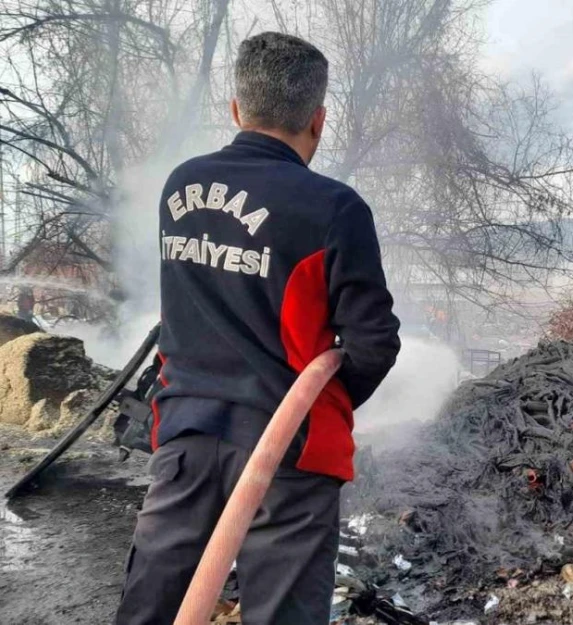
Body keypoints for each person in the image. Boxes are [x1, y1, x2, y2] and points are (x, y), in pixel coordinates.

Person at [116, 32, 401, 625]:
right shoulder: (333, 207)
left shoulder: (182, 187)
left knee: (152, 604)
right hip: (288, 458)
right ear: (319, 121)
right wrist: (318, 403)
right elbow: (373, 343)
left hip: (185, 441)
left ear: (237, 110)